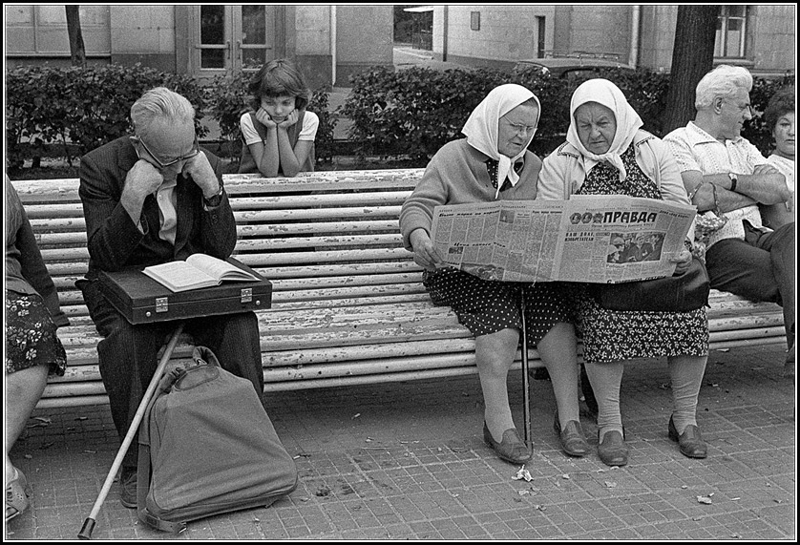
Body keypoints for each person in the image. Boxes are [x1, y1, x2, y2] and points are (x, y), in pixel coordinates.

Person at [75, 87, 265, 508]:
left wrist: (212, 191)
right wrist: (130, 198)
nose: (179, 167)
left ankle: (248, 446)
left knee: (239, 323)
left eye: (186, 153)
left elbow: (222, 248)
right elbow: (104, 257)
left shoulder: (201, 164)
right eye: (167, 161)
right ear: (137, 141)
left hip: (188, 286)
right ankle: (137, 465)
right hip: (123, 286)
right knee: (127, 342)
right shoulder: (100, 167)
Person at [399, 84, 588, 464]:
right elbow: (418, 206)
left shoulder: (533, 165)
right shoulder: (453, 156)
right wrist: (420, 238)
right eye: (515, 127)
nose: (523, 136)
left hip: (517, 270)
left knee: (557, 320)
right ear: (491, 120)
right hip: (460, 270)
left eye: (530, 129)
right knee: (500, 325)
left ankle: (569, 418)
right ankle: (498, 422)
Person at [538, 79, 710, 467]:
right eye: (584, 125)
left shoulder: (653, 150)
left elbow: (679, 210)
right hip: (592, 277)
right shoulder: (561, 163)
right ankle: (610, 424)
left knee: (691, 312)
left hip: (655, 268)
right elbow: (549, 228)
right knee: (605, 313)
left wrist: (679, 250)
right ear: (573, 126)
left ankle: (685, 418)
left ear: (620, 118)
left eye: (603, 123)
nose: (594, 133)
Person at [663, 65, 795, 377]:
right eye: (743, 106)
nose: (749, 115)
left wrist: (729, 181)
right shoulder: (677, 143)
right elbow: (699, 197)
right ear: (719, 105)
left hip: (762, 236)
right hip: (720, 245)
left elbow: (779, 189)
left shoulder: (743, 146)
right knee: (791, 270)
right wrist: (754, 190)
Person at [5, 176, 69, 522]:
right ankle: (6, 474)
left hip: (8, 287)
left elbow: (27, 251)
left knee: (32, 335)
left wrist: (50, 310)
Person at [238, 58, 318, 177]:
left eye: (286, 103)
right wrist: (271, 129)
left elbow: (291, 171)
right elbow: (269, 172)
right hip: (257, 191)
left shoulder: (309, 120)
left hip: (299, 191)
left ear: (297, 101)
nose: (278, 111)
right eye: (269, 103)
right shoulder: (248, 121)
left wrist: (281, 130)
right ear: (259, 101)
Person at [760, 86, 794, 229]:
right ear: (773, 130)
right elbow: (785, 225)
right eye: (785, 124)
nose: (792, 132)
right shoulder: (768, 171)